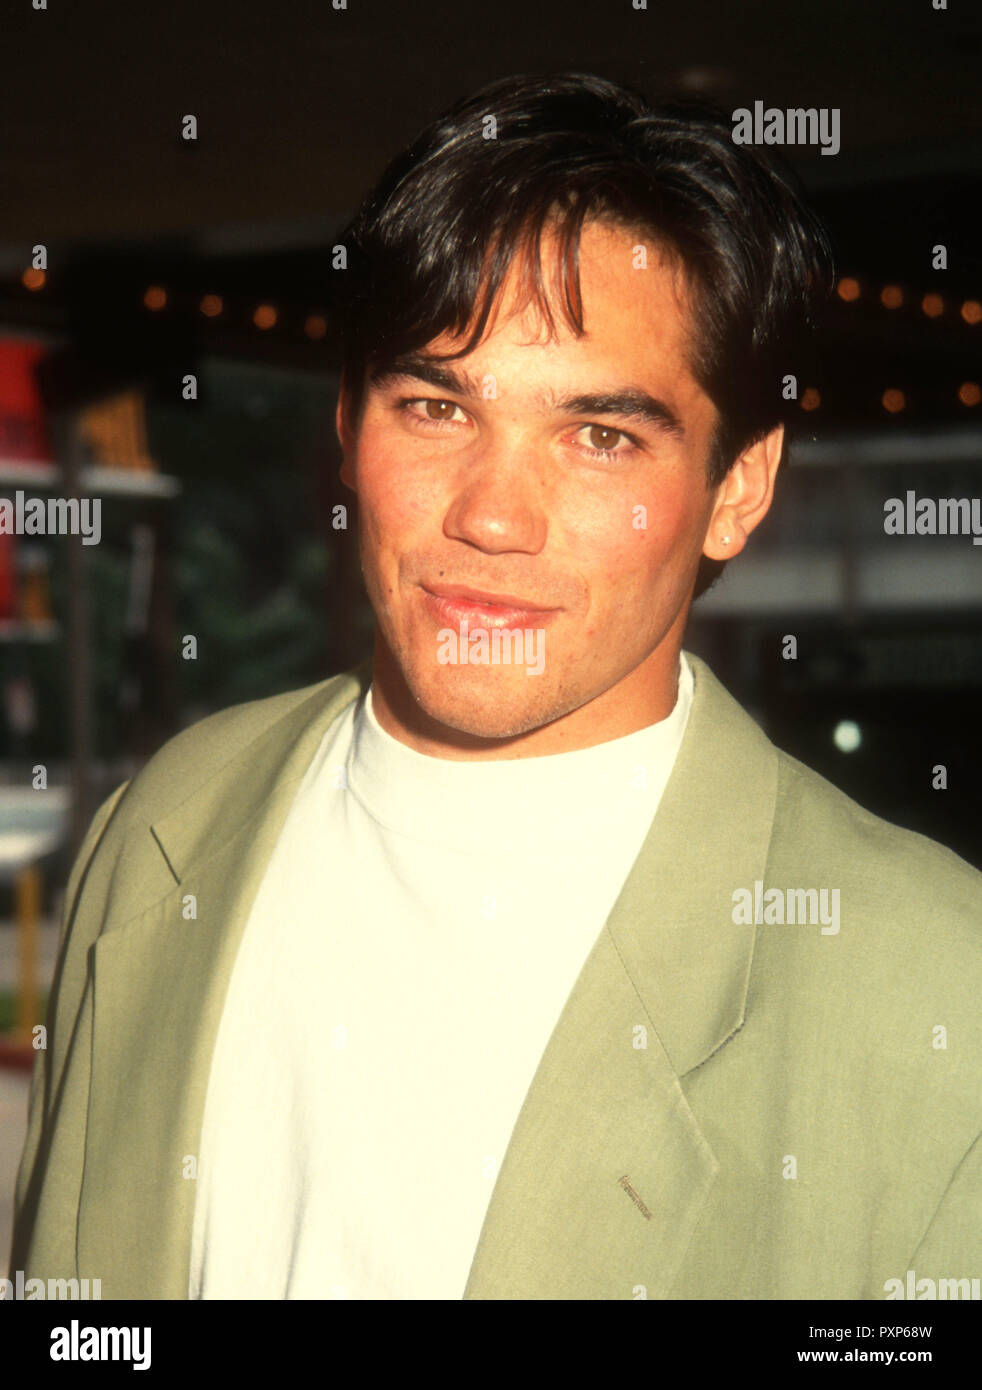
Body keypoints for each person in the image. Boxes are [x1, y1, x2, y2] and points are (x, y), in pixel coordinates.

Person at [11, 71, 982, 1301]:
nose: (490, 515)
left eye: (599, 435)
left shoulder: (937, 986)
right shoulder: (165, 821)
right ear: (351, 426)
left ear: (736, 487)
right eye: (435, 406)